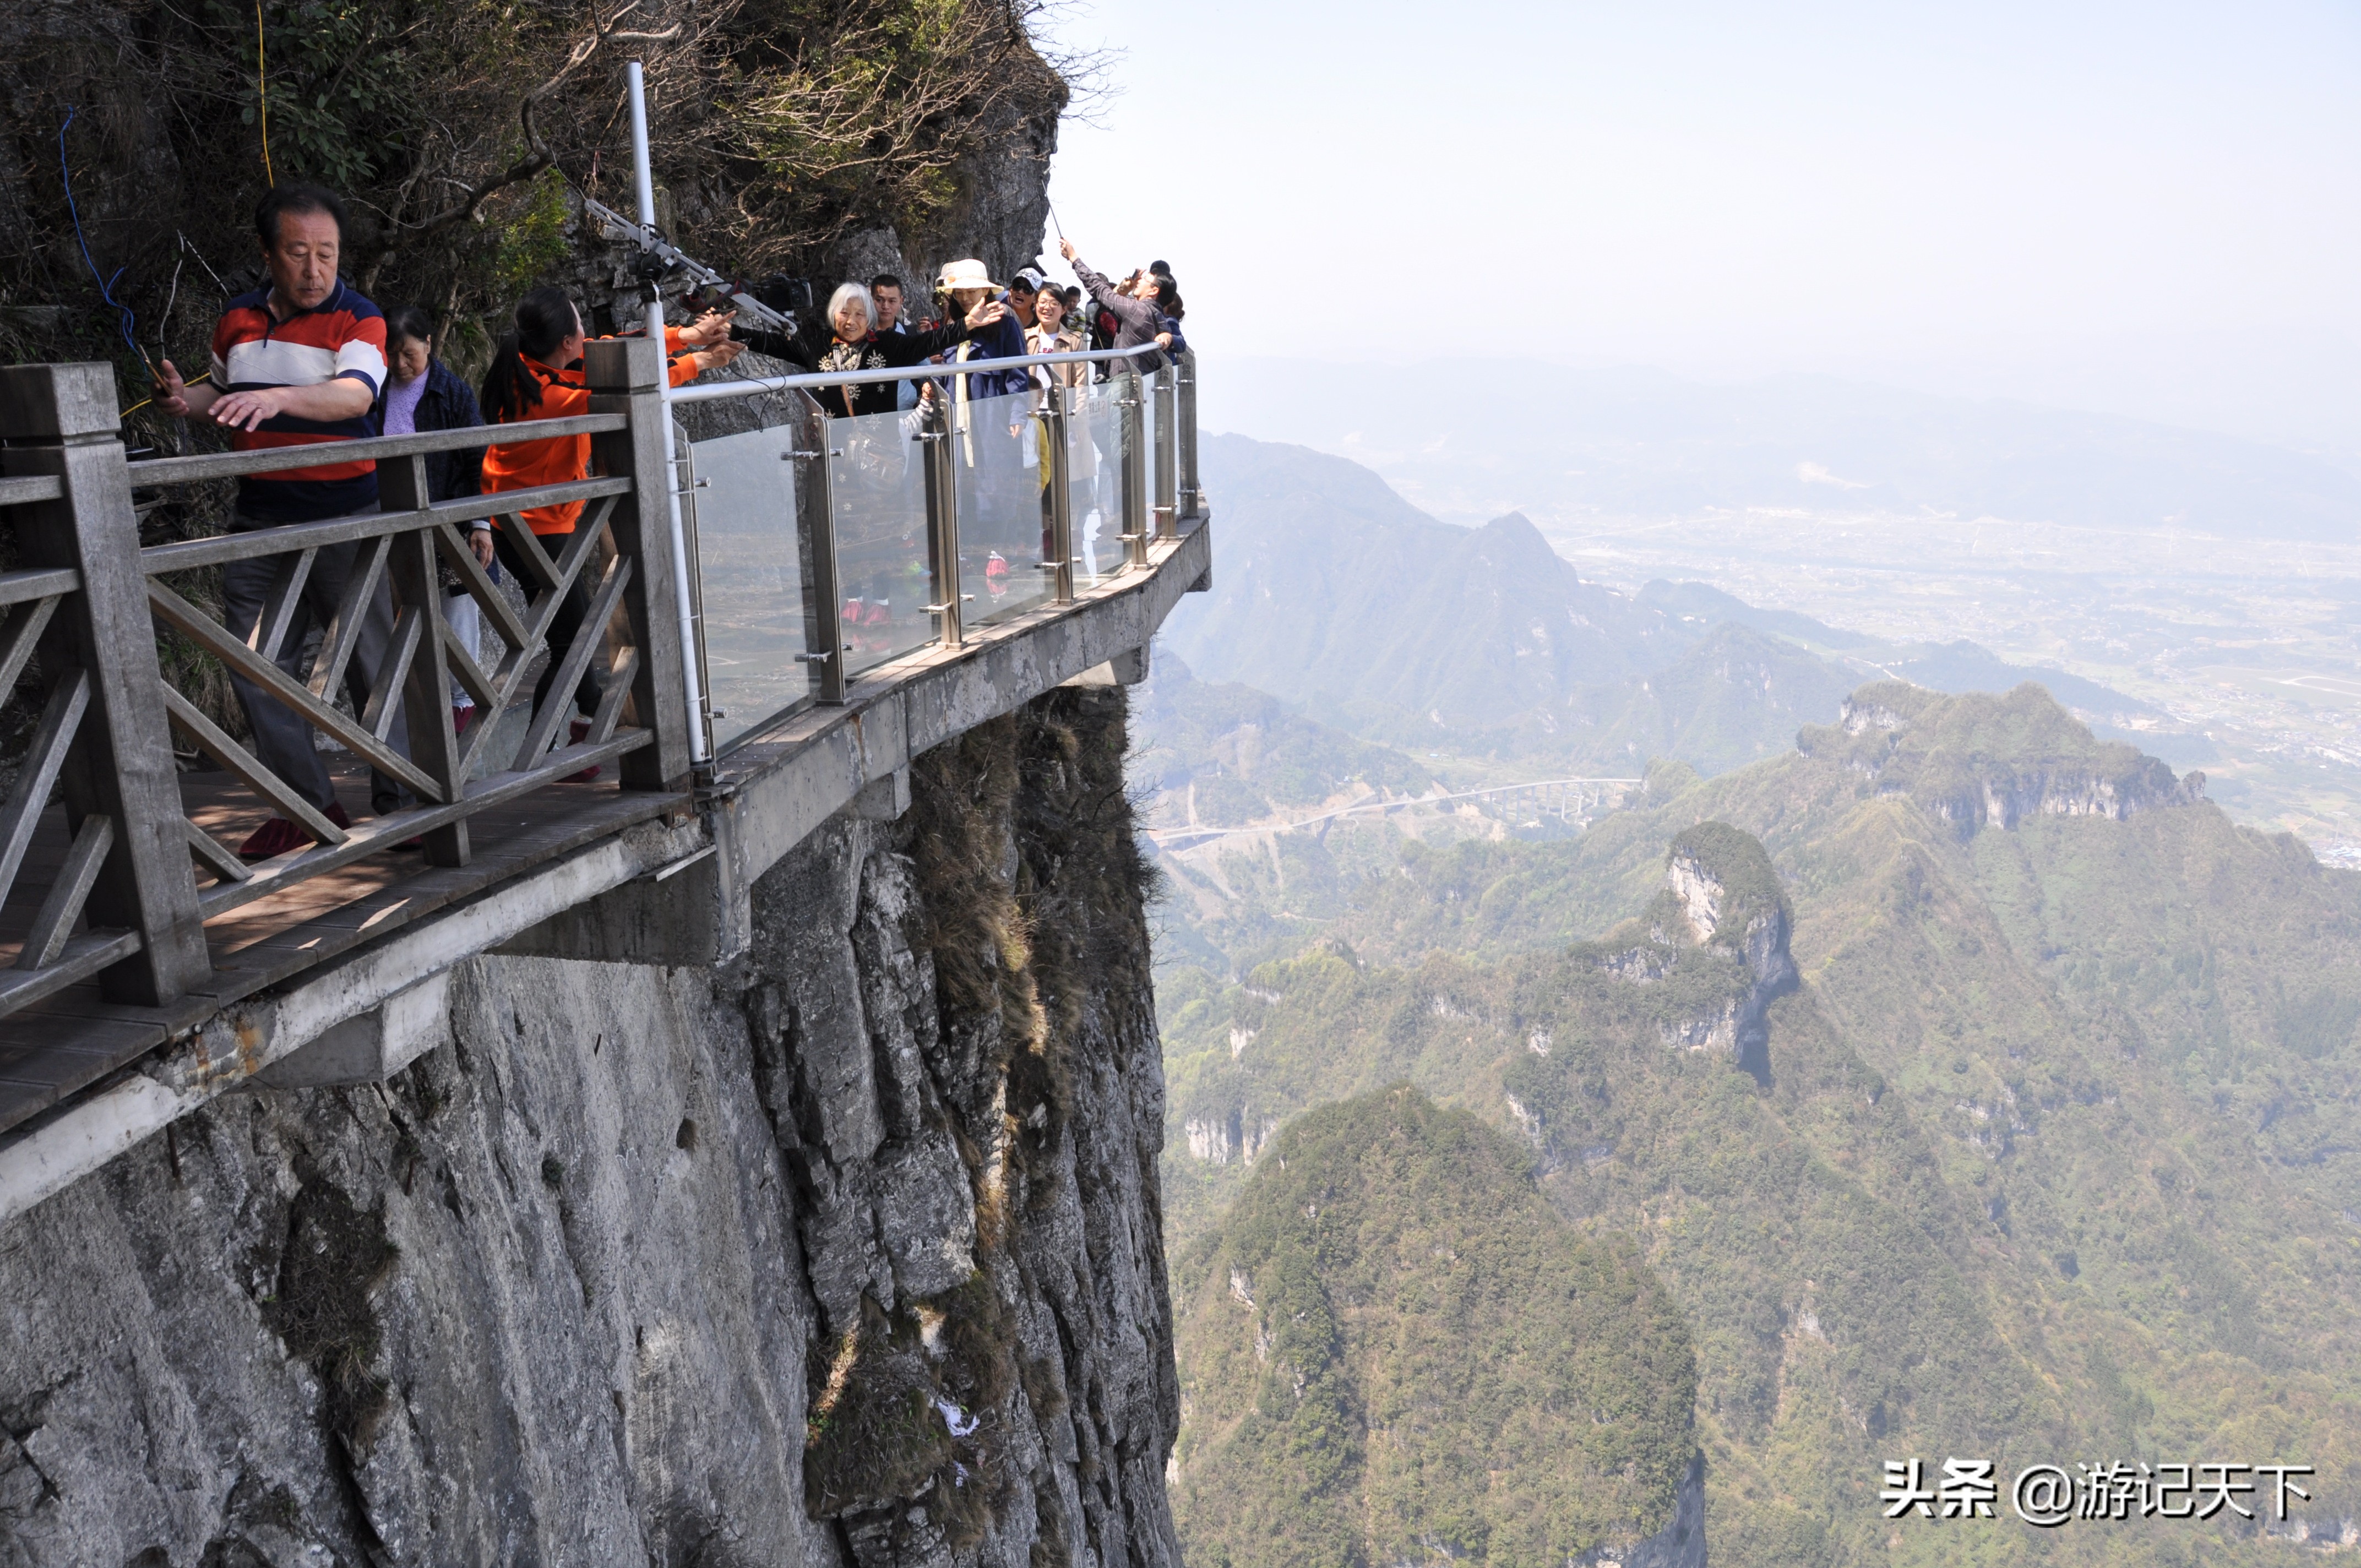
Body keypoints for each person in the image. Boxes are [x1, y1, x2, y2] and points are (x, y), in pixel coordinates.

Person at [153, 183, 414, 859]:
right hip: (259, 517)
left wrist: (277, 398)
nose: (314, 269)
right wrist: (186, 401)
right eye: (298, 253)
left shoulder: (360, 318)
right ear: (268, 253)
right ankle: (305, 806)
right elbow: (224, 394)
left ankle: (406, 798)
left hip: (343, 517)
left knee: (368, 658)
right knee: (255, 663)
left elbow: (354, 396)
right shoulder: (237, 319)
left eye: (327, 253)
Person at [477, 286, 741, 778]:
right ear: (565, 343)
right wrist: (699, 362)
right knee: (571, 645)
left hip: (525, 525)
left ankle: (583, 726)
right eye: (579, 326)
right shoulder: (553, 396)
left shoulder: (531, 370)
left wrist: (686, 336)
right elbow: (625, 394)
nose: (587, 333)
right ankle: (540, 759)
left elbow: (613, 350)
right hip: (536, 533)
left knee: (571, 637)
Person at [378, 304, 496, 736]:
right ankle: (419, 708)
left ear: (429, 344)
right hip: (393, 522)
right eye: (392, 354)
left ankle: (461, 703)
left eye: (409, 353)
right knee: (402, 616)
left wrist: (480, 522)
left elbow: (477, 459)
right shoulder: (374, 390)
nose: (400, 364)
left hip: (450, 520)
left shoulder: (452, 392)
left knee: (456, 611)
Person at [810, 280, 1004, 418]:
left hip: (880, 454)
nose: (851, 321)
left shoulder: (886, 344)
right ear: (833, 313)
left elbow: (928, 341)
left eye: (859, 314)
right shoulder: (818, 343)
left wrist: (967, 324)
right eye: (844, 313)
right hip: (830, 450)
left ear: (869, 316)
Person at [1058, 237, 1172, 373]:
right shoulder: (1160, 318)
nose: (1139, 280)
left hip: (1127, 379)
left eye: (1145, 279)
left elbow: (1100, 290)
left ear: (1154, 290)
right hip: (1147, 378)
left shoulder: (1136, 309)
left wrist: (1074, 258)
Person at [868, 274, 923, 411]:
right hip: (868, 414)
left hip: (907, 413)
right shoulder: (861, 336)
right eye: (879, 300)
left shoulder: (909, 334)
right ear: (871, 299)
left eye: (892, 301)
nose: (885, 306)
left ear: (901, 301)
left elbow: (926, 371)